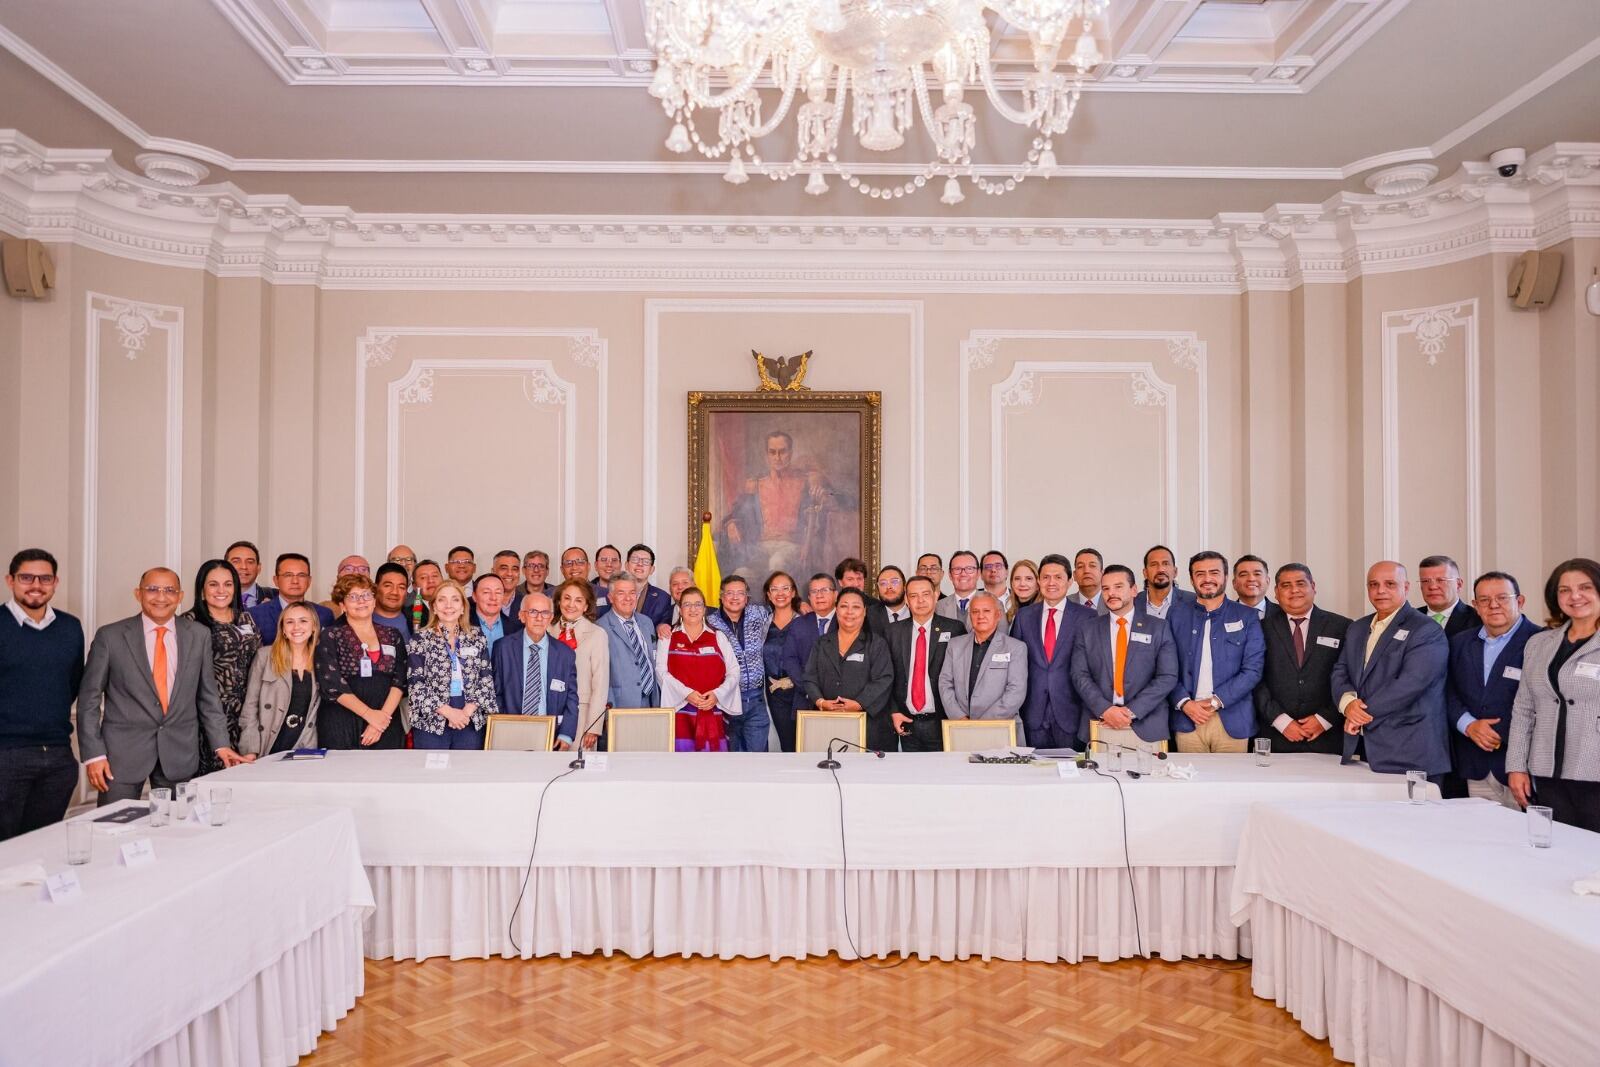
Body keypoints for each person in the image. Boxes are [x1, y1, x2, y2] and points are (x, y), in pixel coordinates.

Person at [78, 567, 244, 804]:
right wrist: (94, 754)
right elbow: (89, 700)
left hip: (179, 753)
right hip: (121, 756)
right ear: (138, 593)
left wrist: (221, 744)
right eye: (152, 589)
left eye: (169, 590)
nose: (161, 597)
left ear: (180, 596)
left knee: (179, 823)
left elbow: (207, 696)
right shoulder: (110, 636)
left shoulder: (199, 635)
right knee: (114, 822)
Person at [1330, 561, 1450, 775]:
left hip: (1410, 752)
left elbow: (1411, 684)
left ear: (1406, 587)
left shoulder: (1426, 630)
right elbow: (1341, 670)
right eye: (1373, 584)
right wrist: (1348, 705)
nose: (1380, 590)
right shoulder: (1357, 627)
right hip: (1361, 749)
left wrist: (1358, 714)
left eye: (1390, 584)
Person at [1507, 558, 1600, 831]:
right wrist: (1516, 766)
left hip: (1594, 769)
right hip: (1547, 770)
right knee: (1555, 846)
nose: (1575, 596)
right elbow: (1523, 709)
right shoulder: (1539, 643)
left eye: (1585, 587)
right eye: (1564, 590)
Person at [0, 549, 84, 839]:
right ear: (10, 580)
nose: (36, 585)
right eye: (27, 577)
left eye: (45, 578)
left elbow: (71, 683)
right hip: (6, 756)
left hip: (58, 756)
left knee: (41, 845)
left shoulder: (70, 627)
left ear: (55, 582)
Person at [1444, 571, 1542, 808]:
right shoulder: (1459, 643)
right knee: (1481, 829)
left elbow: (1544, 702)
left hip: (1523, 768)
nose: (1493, 605)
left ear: (1520, 601)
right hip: (1473, 763)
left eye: (1502, 598)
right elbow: (1447, 691)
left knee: (1524, 830)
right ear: (1475, 606)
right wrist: (1468, 725)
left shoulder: (1541, 642)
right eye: (1484, 600)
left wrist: (1496, 731)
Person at [1070, 564, 1179, 753]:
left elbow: (1167, 677)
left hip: (1147, 724)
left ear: (1134, 590)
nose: (1111, 593)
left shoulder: (1158, 628)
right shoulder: (1087, 629)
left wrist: (1131, 711)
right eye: (1106, 588)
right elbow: (1079, 675)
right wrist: (1105, 709)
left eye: (1118, 587)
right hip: (1099, 724)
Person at [1168, 551, 1266, 754]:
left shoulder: (1247, 616)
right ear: (1192, 579)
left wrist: (1216, 701)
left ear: (1226, 577)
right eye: (1200, 574)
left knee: (1231, 776)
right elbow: (1165, 667)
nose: (1207, 579)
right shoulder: (1176, 614)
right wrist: (1184, 703)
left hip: (1233, 719)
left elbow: (1253, 670)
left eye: (1214, 572)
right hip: (1188, 718)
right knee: (1190, 775)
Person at [1253, 563, 1351, 755]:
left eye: (1300, 583)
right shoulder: (1259, 629)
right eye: (1286, 585)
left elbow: (1350, 677)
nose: (1294, 590)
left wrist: (1324, 719)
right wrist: (1281, 721)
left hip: (1328, 737)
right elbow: (1255, 679)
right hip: (1275, 736)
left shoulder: (1342, 627)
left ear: (1313, 587)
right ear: (1276, 592)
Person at [314, 574, 408, 749]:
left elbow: (400, 680)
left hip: (386, 721)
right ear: (342, 605)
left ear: (374, 601)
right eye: (353, 597)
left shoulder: (392, 635)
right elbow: (331, 685)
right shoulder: (331, 635)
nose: (361, 601)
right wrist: (369, 715)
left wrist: (380, 720)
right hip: (343, 723)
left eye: (366, 595)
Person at [186, 559, 262, 775]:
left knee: (246, 777)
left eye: (228, 584)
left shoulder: (245, 618)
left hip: (247, 713)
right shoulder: (189, 623)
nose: (221, 590)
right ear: (202, 589)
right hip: (209, 715)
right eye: (213, 584)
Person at [1014, 554, 1097, 750]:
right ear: (1039, 581)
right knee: (1034, 768)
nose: (1051, 582)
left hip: (1072, 713)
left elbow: (1095, 667)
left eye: (1058, 577)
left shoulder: (1088, 617)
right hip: (1032, 713)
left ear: (1070, 581)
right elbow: (1016, 666)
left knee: (1073, 768)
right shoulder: (1024, 616)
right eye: (1045, 577)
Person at [407, 580, 497, 749]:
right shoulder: (420, 639)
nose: (448, 605)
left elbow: (486, 679)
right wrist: (449, 712)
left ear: (463, 607)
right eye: (442, 600)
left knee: (467, 766)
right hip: (432, 721)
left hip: (469, 718)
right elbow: (416, 684)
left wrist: (466, 712)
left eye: (455, 599)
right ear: (434, 607)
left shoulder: (476, 637)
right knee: (433, 766)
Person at [804, 588, 896, 751]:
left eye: (856, 607)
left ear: (865, 611)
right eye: (844, 606)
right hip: (828, 721)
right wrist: (821, 702)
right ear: (836, 609)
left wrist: (859, 703)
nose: (849, 612)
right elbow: (810, 677)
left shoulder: (876, 644)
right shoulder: (822, 642)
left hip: (868, 725)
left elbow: (884, 679)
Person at [887, 575, 966, 751]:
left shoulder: (954, 629)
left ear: (936, 595)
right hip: (906, 721)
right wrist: (893, 710)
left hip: (943, 721)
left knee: (945, 768)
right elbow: (887, 676)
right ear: (906, 599)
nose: (920, 600)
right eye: (913, 596)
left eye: (925, 594)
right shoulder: (893, 632)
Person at [658, 587, 742, 751]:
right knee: (681, 762)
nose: (693, 609)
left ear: (704, 609)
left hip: (712, 710)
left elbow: (734, 670)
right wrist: (686, 694)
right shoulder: (668, 637)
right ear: (680, 609)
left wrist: (717, 695)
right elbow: (661, 672)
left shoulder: (718, 636)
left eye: (698, 604)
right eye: (687, 604)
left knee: (713, 763)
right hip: (680, 712)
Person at [492, 592, 580, 747]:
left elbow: (571, 698)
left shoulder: (565, 654)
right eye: (533, 612)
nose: (539, 618)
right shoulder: (503, 647)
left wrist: (566, 734)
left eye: (545, 613)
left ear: (551, 617)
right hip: (509, 729)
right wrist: (501, 725)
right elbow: (495, 693)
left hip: (550, 733)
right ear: (522, 616)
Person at [238, 602, 321, 756]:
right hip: (268, 743)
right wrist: (250, 750)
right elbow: (250, 707)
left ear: (314, 627)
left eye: (303, 621)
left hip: (305, 746)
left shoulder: (321, 659)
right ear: (283, 629)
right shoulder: (265, 656)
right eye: (290, 622)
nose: (296, 627)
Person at [938, 593, 1028, 735]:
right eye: (975, 612)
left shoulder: (1015, 647)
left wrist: (981, 724)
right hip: (961, 728)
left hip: (1001, 728)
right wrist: (959, 717)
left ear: (998, 615)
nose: (980, 616)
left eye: (986, 611)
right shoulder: (955, 645)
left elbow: (1016, 691)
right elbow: (945, 683)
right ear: (970, 616)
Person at [707, 575, 772, 752]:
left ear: (746, 597)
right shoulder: (710, 623)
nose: (735, 597)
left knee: (758, 755)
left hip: (756, 700)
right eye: (730, 593)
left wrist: (800, 605)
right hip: (726, 701)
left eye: (740, 593)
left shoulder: (758, 614)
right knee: (730, 756)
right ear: (721, 596)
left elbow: (783, 609)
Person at [551, 578, 610, 749]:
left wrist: (593, 726)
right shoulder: (547, 629)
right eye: (567, 598)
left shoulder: (597, 634)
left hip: (582, 714)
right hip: (549, 712)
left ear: (586, 606)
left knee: (576, 763)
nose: (571, 605)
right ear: (559, 601)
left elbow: (600, 683)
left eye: (578, 600)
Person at [782, 574, 839, 729]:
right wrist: (810, 690)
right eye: (814, 591)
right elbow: (790, 659)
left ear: (835, 594)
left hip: (839, 702)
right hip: (805, 700)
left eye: (824, 590)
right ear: (809, 597)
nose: (819, 595)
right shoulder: (798, 624)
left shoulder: (846, 621)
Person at [599, 574, 660, 708]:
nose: (628, 598)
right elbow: (599, 676)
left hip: (652, 702)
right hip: (620, 704)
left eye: (632, 593)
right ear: (610, 597)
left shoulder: (647, 622)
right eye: (621, 593)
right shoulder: (601, 628)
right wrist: (609, 711)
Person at [249, 553, 335, 644]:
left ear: (309, 581)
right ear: (276, 580)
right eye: (288, 575)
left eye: (301, 575)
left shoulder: (324, 614)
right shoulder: (254, 615)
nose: (295, 581)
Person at [762, 571, 804, 752]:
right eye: (775, 589)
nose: (780, 593)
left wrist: (793, 680)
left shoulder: (804, 622)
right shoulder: (762, 623)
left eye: (785, 588)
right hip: (774, 694)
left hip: (800, 692)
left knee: (804, 743)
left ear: (793, 592)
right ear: (769, 594)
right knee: (785, 745)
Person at [938, 550, 1008, 634]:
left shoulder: (995, 603)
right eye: (957, 569)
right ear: (950, 575)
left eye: (969, 569)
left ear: (978, 573)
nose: (963, 574)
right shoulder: (939, 606)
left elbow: (1002, 638)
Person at [1417, 554, 1482, 636]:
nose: (1432, 587)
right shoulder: (1409, 618)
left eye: (1441, 580)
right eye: (1425, 581)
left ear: (1458, 584)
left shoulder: (1478, 620)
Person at [1134, 544, 1193, 621]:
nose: (1160, 569)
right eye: (1154, 564)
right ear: (1145, 573)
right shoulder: (1133, 603)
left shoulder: (1192, 602)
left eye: (1166, 564)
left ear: (1175, 572)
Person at [625, 544, 674, 631]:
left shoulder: (663, 598)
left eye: (646, 562)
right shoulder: (614, 593)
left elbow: (663, 627)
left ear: (652, 569)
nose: (640, 564)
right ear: (626, 565)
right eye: (635, 560)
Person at [836, 558, 890, 636]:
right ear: (840, 582)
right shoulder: (833, 605)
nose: (856, 584)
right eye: (850, 579)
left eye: (859, 579)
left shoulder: (877, 605)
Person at [469, 573, 520, 651]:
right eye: (486, 592)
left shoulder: (516, 629)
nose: (493, 598)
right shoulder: (462, 625)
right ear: (474, 596)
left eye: (498, 593)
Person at [226, 540, 274, 610]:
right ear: (224, 567)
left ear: (259, 568)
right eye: (236, 561)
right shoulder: (213, 599)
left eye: (250, 562)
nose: (244, 567)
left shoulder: (277, 597)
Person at [372, 562, 412, 639]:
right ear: (375, 588)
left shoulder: (417, 620)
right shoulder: (360, 620)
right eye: (388, 586)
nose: (394, 592)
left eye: (401, 587)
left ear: (406, 592)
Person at [408, 559, 442, 631]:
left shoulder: (457, 606)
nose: (431, 581)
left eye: (435, 576)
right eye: (423, 577)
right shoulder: (409, 614)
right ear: (414, 586)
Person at [592, 545, 624, 613]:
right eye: (604, 560)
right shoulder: (586, 591)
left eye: (614, 560)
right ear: (596, 565)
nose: (609, 564)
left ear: (620, 565)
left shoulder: (629, 591)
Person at [490, 551, 523, 617]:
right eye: (504, 568)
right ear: (493, 572)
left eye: (514, 569)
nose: (509, 573)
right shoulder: (475, 603)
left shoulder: (528, 603)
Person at [980, 550, 1011, 614]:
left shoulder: (1018, 597)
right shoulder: (971, 598)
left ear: (1007, 572)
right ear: (981, 574)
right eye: (988, 566)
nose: (993, 570)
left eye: (998, 566)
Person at [664, 566, 695, 632]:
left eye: (685, 583)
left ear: (694, 586)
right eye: (675, 584)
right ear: (670, 589)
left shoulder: (711, 615)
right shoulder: (662, 615)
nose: (680, 587)